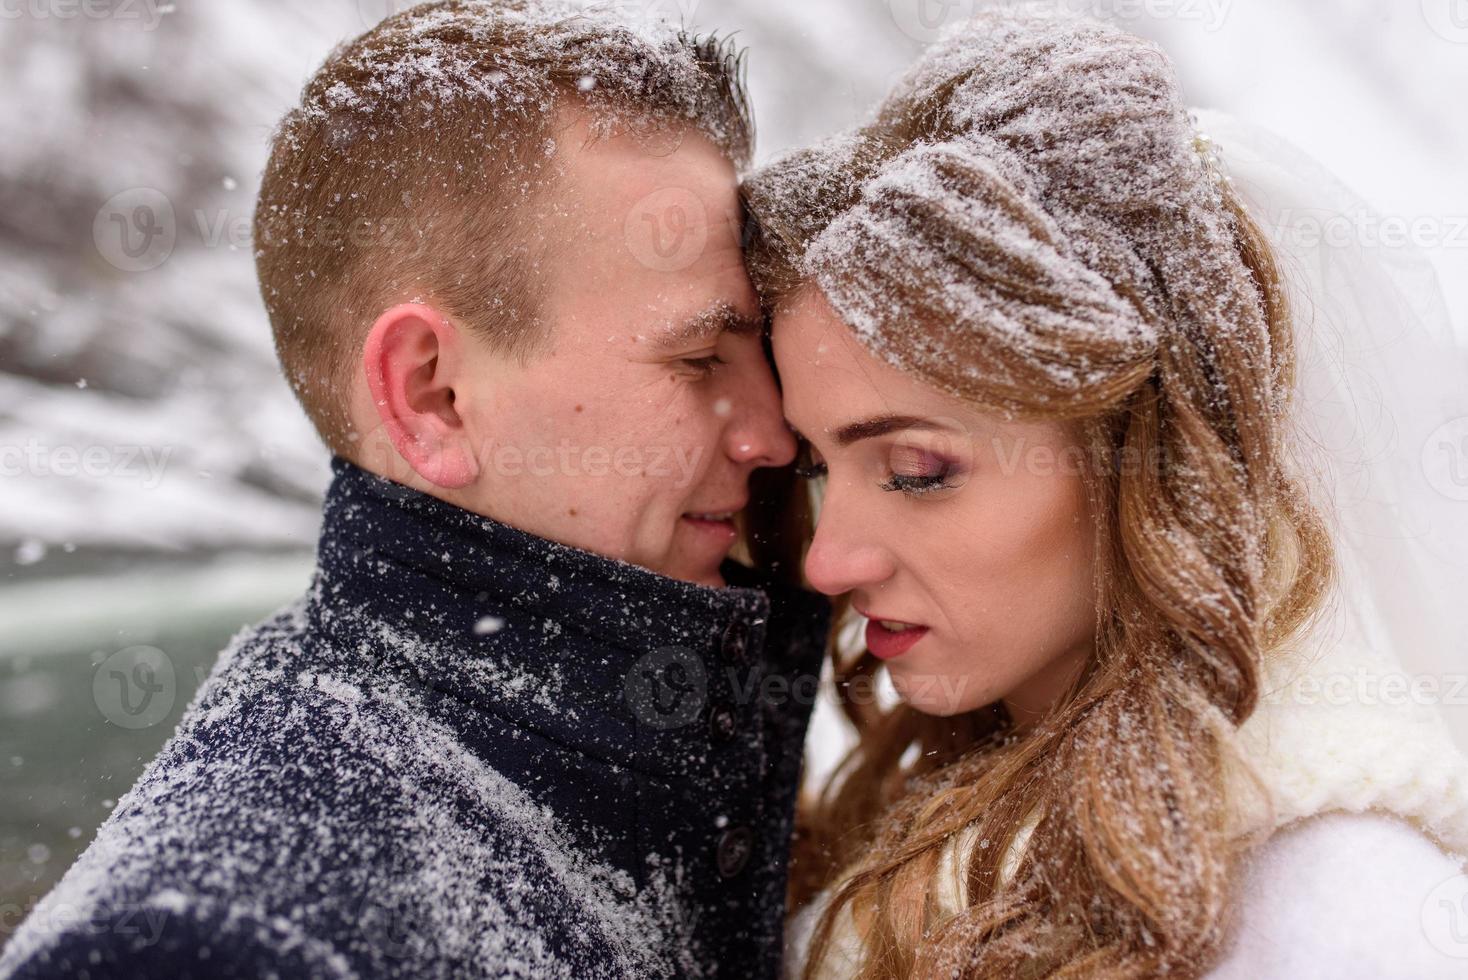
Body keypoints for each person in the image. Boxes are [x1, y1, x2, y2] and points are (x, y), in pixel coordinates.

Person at [0, 2, 829, 978]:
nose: (773, 434)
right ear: (431, 394)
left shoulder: (630, 766)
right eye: (698, 358)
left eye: (759, 353)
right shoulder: (222, 946)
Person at [741, 9, 1468, 978]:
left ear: (1140, 458)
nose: (830, 558)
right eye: (821, 467)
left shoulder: (1347, 917)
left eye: (917, 471)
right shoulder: (913, 809)